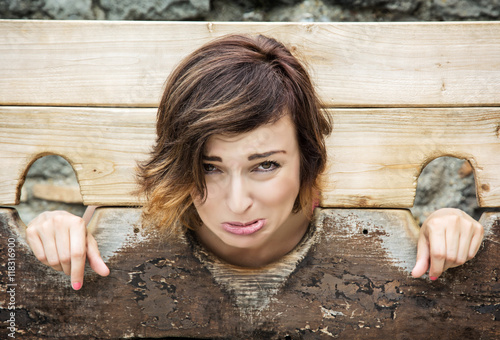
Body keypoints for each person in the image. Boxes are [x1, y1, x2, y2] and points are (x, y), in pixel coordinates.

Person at [25, 34, 484, 291]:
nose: (238, 202)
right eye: (210, 166)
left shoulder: (362, 216)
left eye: (265, 165)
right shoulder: (122, 225)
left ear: (307, 160)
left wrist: (442, 224)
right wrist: (56, 229)